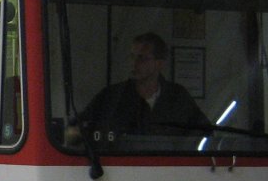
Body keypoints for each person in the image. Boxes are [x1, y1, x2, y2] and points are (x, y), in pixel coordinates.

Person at [79, 32, 209, 140]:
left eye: (142, 58)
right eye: (132, 57)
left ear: (159, 63)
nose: (134, 63)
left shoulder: (178, 97)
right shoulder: (111, 96)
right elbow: (77, 131)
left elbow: (204, 132)